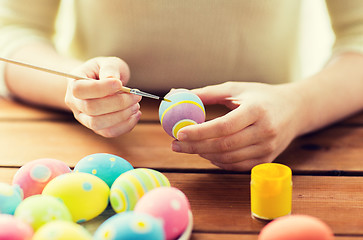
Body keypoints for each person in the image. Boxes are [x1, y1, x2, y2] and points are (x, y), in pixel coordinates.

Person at [1, 1, 363, 171]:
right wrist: (74, 86)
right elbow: (11, 32)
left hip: (268, 139)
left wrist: (299, 105)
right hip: (101, 142)